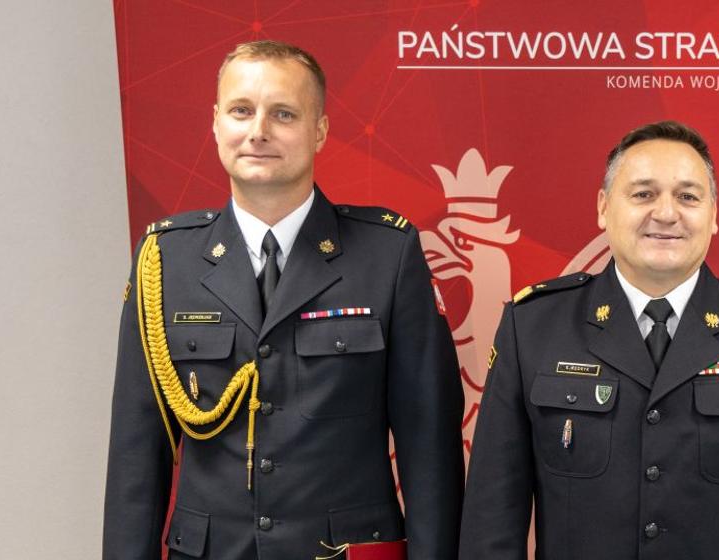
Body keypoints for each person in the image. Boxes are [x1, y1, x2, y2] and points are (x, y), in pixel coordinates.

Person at [103, 40, 464, 559]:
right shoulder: (164, 260)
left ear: (320, 130)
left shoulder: (387, 254)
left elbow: (429, 450)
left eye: (284, 114)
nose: (258, 131)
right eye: (241, 111)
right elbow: (136, 454)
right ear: (215, 124)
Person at [458, 121, 719, 559]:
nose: (666, 213)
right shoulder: (533, 327)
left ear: (714, 215)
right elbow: (491, 521)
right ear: (604, 207)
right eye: (643, 194)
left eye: (688, 197)